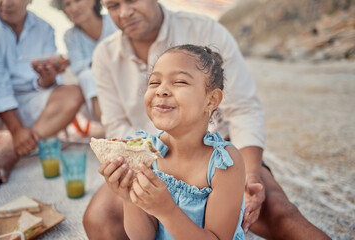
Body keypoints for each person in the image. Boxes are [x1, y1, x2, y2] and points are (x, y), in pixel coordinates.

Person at [83, 0, 330, 239]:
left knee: (279, 212)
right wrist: (132, 188)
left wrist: (251, 174)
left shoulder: (205, 29)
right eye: (113, 6)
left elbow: (244, 108)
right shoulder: (104, 55)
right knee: (98, 218)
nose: (124, 13)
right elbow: (116, 125)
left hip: (215, 146)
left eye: (131, 0)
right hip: (152, 151)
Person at [99, 44, 246, 239]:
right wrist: (129, 198)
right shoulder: (146, 153)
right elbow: (143, 237)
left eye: (179, 82)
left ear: (210, 100)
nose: (161, 91)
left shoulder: (224, 163)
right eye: (154, 83)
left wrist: (167, 211)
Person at [0, 0, 84, 189]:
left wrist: (47, 78)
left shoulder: (45, 28)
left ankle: (14, 151)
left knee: (73, 93)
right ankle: (20, 139)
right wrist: (16, 129)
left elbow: (46, 85)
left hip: (31, 101)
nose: (4, 3)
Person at [51, 0, 118, 121]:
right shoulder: (70, 36)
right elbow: (77, 67)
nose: (73, 8)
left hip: (121, 75)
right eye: (67, 4)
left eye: (77, 0)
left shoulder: (113, 21)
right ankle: (109, 125)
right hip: (94, 88)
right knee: (86, 76)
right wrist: (98, 62)